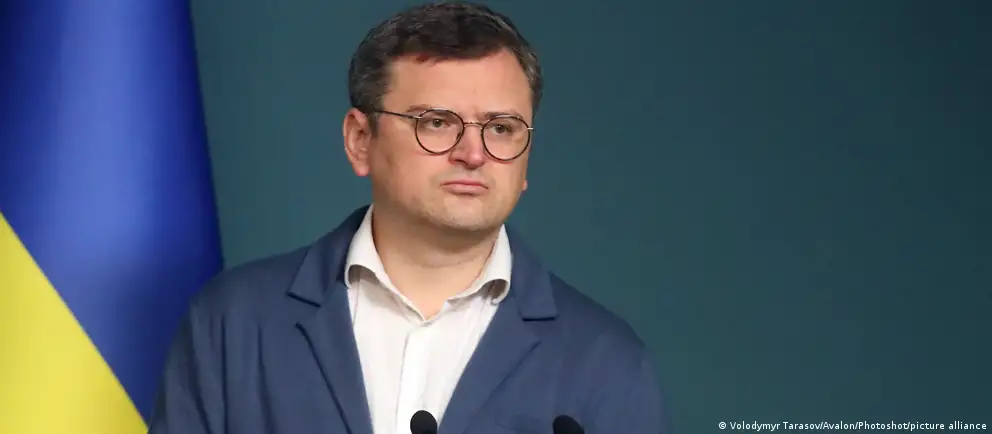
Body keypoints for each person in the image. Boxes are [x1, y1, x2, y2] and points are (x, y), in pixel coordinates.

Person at [148, 1, 667, 433]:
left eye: (502, 128)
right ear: (360, 140)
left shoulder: (605, 359)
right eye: (437, 123)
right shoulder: (233, 323)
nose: (474, 153)